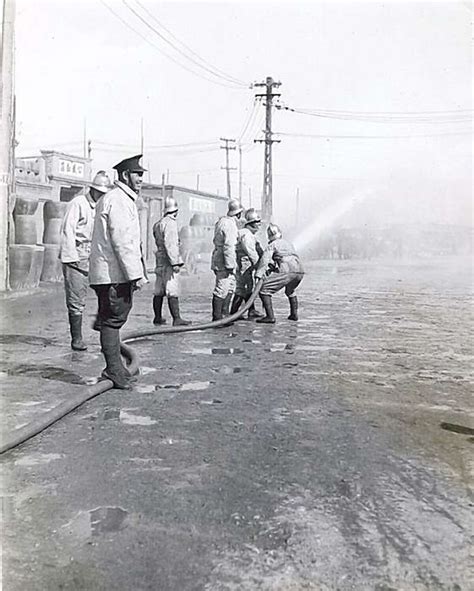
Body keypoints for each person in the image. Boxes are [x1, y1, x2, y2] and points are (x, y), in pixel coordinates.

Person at [89, 155, 148, 389]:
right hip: (114, 275)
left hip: (111, 273)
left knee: (111, 319)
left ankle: (115, 367)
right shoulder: (119, 200)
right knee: (112, 321)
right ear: (125, 175)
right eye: (137, 174)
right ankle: (113, 369)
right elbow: (123, 242)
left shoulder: (120, 199)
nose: (141, 179)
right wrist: (136, 275)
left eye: (142, 174)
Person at [59, 171, 112, 351]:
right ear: (93, 189)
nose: (102, 196)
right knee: (76, 300)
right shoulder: (78, 204)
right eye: (99, 192)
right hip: (77, 255)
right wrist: (71, 258)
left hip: (96, 255)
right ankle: (77, 338)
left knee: (106, 291)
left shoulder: (104, 207)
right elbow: (67, 230)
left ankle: (100, 321)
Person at [152, 196, 191, 326]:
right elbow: (171, 244)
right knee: (172, 289)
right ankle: (176, 318)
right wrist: (175, 262)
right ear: (176, 211)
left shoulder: (158, 224)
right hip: (169, 261)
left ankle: (157, 317)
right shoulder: (171, 223)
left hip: (160, 260)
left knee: (159, 290)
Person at [254, 223, 304, 324]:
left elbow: (265, 260)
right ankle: (294, 314)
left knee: (264, 290)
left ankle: (270, 317)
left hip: (287, 269)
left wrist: (258, 275)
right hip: (299, 269)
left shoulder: (272, 245)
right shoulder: (288, 243)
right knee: (290, 290)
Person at [210, 198, 243, 321]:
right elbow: (229, 246)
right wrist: (230, 265)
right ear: (238, 214)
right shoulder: (230, 225)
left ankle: (225, 314)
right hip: (224, 261)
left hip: (221, 258)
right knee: (222, 288)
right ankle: (218, 317)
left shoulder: (222, 221)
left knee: (230, 287)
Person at [230, 208, 264, 319]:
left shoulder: (249, 234)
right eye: (257, 222)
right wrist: (259, 266)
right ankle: (234, 313)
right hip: (243, 264)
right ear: (251, 223)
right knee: (241, 288)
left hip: (246, 264)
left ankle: (251, 310)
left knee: (248, 287)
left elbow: (258, 249)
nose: (259, 225)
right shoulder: (246, 235)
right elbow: (251, 252)